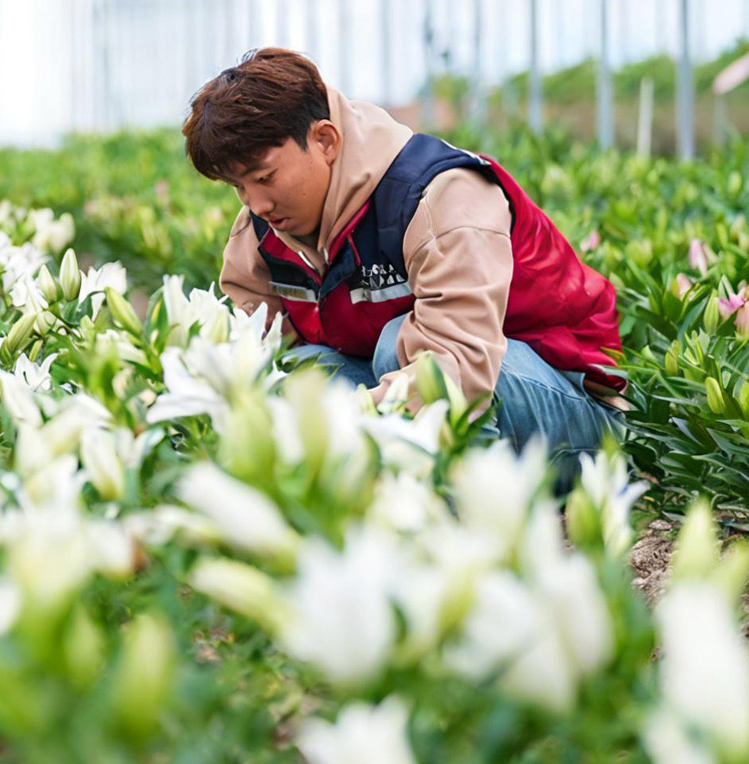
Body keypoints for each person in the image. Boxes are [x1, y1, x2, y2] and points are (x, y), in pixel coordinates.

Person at [180, 48, 623, 486]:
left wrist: (350, 423)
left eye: (264, 177)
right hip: (430, 395)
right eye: (238, 186)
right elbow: (257, 356)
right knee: (300, 375)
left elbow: (459, 367)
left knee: (404, 351)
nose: (256, 203)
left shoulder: (438, 195)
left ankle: (463, 513)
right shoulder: (261, 234)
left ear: (325, 141)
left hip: (576, 413)